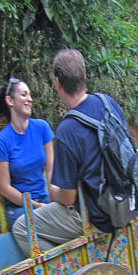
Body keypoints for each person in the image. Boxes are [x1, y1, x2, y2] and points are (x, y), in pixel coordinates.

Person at [12, 49, 126, 254]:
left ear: (57, 83)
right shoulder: (108, 103)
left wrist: (53, 192)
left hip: (95, 217)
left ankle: (68, 274)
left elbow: (68, 198)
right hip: (124, 203)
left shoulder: (67, 129)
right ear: (85, 76)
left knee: (22, 227)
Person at [0, 78, 55, 228]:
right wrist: (36, 206)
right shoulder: (2, 141)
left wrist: (54, 200)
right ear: (10, 101)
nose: (30, 99)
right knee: (43, 226)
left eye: (30, 95)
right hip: (19, 210)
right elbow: (5, 189)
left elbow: (51, 170)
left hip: (44, 200)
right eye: (24, 95)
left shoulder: (42, 128)